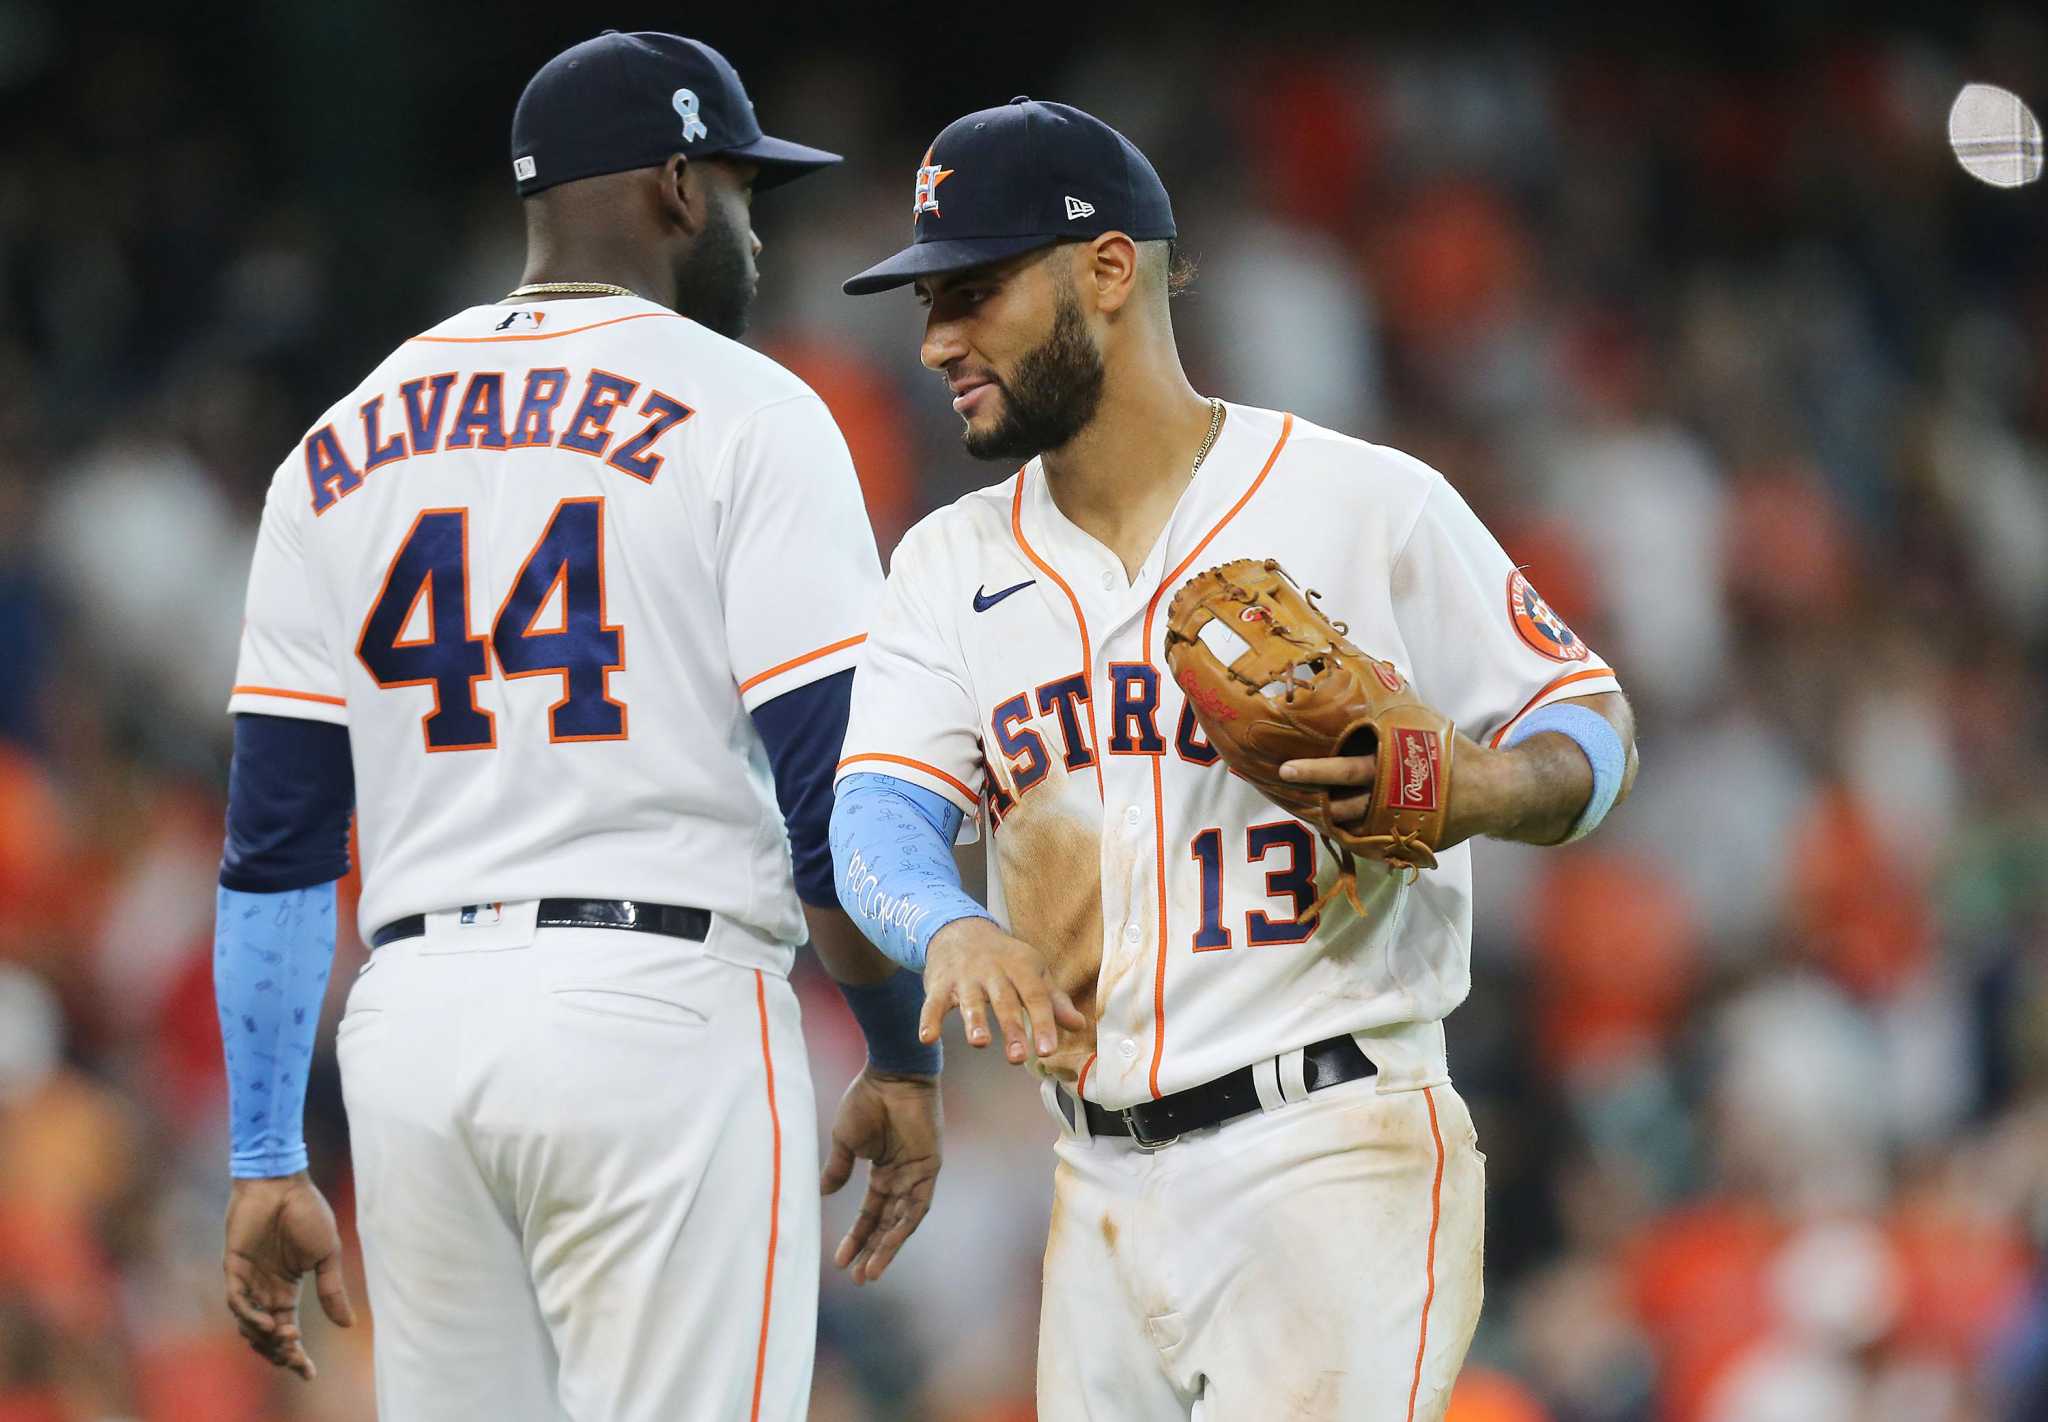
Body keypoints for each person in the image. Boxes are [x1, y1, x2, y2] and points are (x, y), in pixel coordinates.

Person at [830, 98, 1638, 1421]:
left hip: (1326, 1145)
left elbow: (1593, 733)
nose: (935, 342)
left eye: (972, 292)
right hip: (1091, 1184)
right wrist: (951, 925)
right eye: (927, 302)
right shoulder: (949, 562)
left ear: (1107, 268)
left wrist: (1477, 786)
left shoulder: (1357, 498)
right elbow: (874, 816)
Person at [212, 32, 941, 1422]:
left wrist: (262, 1148)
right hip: (658, 1019)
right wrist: (899, 1049)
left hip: (416, 1037)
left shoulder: (339, 439)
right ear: (676, 186)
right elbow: (834, 805)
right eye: (740, 194)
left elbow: (277, 849)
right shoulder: (751, 408)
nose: (750, 233)